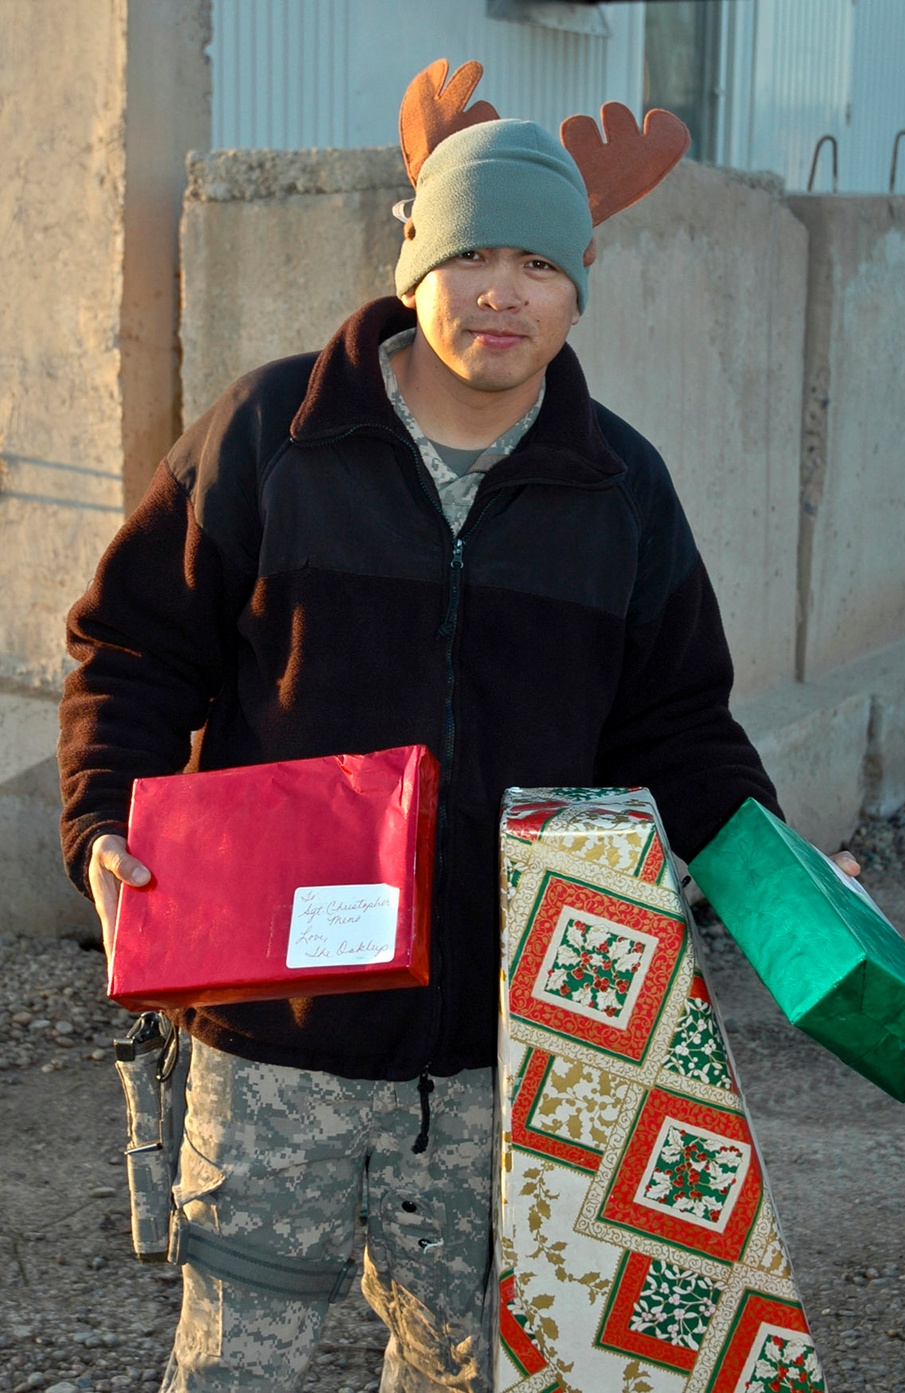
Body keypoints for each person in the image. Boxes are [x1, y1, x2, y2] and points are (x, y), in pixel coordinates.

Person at [58, 59, 858, 1393]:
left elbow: (679, 734)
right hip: (275, 1038)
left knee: (469, 1376)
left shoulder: (621, 492)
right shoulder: (276, 437)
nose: (504, 289)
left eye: (538, 263)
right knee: (231, 1373)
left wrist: (785, 885)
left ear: (576, 286)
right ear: (415, 261)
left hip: (507, 1058)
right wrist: (101, 823)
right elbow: (136, 647)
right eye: (473, 252)